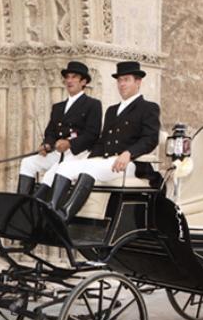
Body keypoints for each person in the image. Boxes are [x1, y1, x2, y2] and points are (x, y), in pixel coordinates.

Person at [47, 60, 160, 220]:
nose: (122, 84)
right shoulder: (112, 111)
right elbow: (103, 141)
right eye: (119, 80)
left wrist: (129, 153)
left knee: (88, 170)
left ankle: (64, 216)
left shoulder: (148, 107)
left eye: (126, 79)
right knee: (65, 166)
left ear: (138, 82)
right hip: (106, 161)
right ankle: (51, 210)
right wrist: (90, 158)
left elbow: (150, 139)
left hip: (129, 164)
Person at [16, 61, 102, 197]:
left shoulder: (93, 104)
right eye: (67, 77)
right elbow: (50, 132)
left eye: (74, 77)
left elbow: (92, 134)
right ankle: (21, 201)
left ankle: (36, 205)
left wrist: (69, 143)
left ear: (83, 82)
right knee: (28, 162)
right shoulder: (58, 107)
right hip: (57, 153)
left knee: (52, 173)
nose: (69, 80)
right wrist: (47, 145)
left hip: (77, 154)